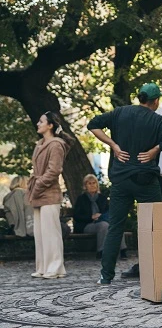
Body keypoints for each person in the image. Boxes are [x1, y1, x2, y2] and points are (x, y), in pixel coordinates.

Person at [88, 83, 162, 285]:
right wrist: (155, 150)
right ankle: (156, 271)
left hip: (121, 180)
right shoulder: (157, 120)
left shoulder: (120, 113)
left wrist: (113, 145)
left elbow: (93, 124)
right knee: (154, 227)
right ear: (156, 101)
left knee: (115, 227)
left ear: (140, 98)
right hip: (146, 181)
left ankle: (106, 275)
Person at [26, 111, 74, 279]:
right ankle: (43, 267)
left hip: (49, 193)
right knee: (39, 234)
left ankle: (55, 268)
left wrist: (38, 185)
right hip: (38, 193)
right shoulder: (40, 144)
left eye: (41, 121)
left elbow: (54, 170)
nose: (38, 124)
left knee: (51, 233)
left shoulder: (56, 145)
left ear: (50, 125)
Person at [73, 174, 127, 260]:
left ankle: (123, 250)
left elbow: (108, 212)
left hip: (103, 221)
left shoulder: (102, 198)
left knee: (116, 224)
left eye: (94, 183)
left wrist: (101, 216)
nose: (92, 185)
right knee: (103, 225)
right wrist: (91, 217)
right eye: (89, 183)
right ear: (85, 186)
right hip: (87, 224)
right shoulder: (81, 199)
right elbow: (76, 216)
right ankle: (101, 251)